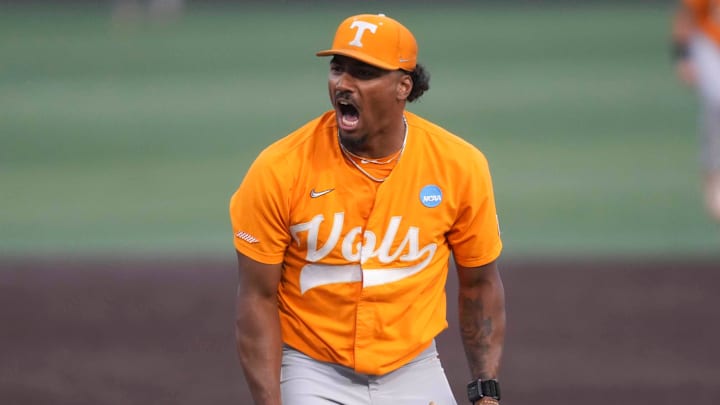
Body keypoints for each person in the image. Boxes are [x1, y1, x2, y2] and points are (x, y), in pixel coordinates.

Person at [229, 13, 505, 405]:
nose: (344, 83)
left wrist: (486, 392)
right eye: (338, 68)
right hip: (311, 368)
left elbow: (481, 284)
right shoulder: (280, 169)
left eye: (364, 72)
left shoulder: (459, 166)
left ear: (402, 86)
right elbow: (256, 299)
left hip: (414, 367)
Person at [672, 0, 720, 221]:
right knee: (716, 104)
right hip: (711, 46)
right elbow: (686, 14)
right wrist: (683, 56)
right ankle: (713, 182)